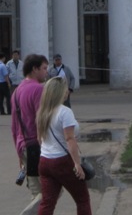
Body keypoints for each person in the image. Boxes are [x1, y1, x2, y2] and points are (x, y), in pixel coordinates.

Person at [35, 76, 91, 215]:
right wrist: (77, 164)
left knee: (47, 202)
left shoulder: (42, 112)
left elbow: (39, 139)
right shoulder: (65, 112)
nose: (67, 92)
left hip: (44, 161)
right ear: (59, 92)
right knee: (82, 199)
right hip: (62, 161)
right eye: (65, 89)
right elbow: (70, 139)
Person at [11, 54, 50, 215]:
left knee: (37, 193)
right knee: (51, 190)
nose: (46, 73)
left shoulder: (17, 91)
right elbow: (42, 121)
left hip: (24, 146)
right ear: (34, 69)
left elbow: (14, 125)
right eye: (44, 68)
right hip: (37, 146)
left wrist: (19, 153)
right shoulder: (38, 89)